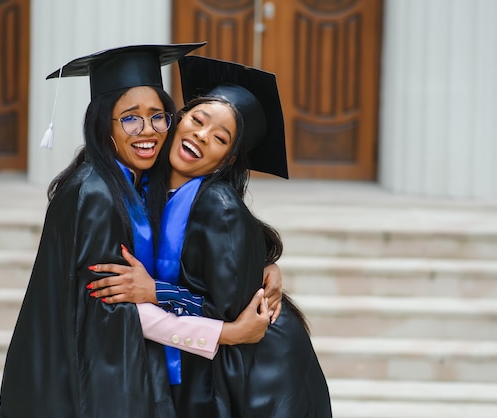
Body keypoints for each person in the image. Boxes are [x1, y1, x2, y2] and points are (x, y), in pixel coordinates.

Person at [0, 44, 273, 418]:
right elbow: (111, 312)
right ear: (103, 124)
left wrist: (267, 267)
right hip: (79, 388)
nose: (147, 130)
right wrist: (228, 334)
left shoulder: (132, 183)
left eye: (157, 116)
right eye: (130, 119)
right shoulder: (95, 194)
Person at [89, 56, 332, 417]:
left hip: (260, 373)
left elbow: (230, 313)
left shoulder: (219, 207)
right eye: (197, 120)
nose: (201, 135)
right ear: (178, 120)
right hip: (217, 361)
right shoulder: (148, 183)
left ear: (227, 161)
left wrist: (156, 290)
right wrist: (269, 263)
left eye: (219, 138)